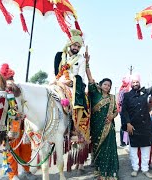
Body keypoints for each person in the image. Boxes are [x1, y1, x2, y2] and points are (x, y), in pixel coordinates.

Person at [50, 29, 90, 172]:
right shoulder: (59, 56)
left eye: (79, 47)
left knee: (79, 105)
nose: (76, 48)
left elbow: (81, 76)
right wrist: (62, 81)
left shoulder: (81, 59)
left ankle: (75, 128)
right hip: (59, 82)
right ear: (69, 44)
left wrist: (72, 83)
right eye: (75, 45)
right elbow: (56, 72)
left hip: (74, 86)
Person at [121, 64, 152, 179]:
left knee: (146, 149)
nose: (135, 84)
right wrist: (127, 124)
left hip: (145, 126)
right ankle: (135, 168)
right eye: (133, 82)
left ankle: (145, 169)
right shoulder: (127, 96)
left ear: (139, 83)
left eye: (137, 82)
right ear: (130, 84)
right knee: (133, 150)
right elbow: (124, 111)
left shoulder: (146, 92)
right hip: (132, 126)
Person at [85, 45, 120, 179]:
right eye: (105, 84)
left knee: (109, 149)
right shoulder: (94, 93)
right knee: (98, 148)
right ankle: (100, 171)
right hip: (96, 126)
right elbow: (89, 77)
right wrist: (87, 62)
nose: (107, 86)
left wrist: (112, 116)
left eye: (109, 85)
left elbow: (116, 111)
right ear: (101, 85)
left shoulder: (112, 98)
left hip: (108, 127)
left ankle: (110, 172)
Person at [0, 63, 37, 180]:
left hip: (23, 125)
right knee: (12, 153)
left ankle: (26, 171)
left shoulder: (17, 89)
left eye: (12, 78)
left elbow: (21, 98)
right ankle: (13, 176)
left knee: (26, 150)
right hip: (9, 127)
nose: (11, 81)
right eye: (9, 78)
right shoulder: (0, 92)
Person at [116, 75, 131, 147]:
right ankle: (125, 142)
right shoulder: (125, 90)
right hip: (124, 110)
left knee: (124, 126)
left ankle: (124, 142)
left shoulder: (122, 89)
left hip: (123, 110)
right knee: (125, 126)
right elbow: (121, 101)